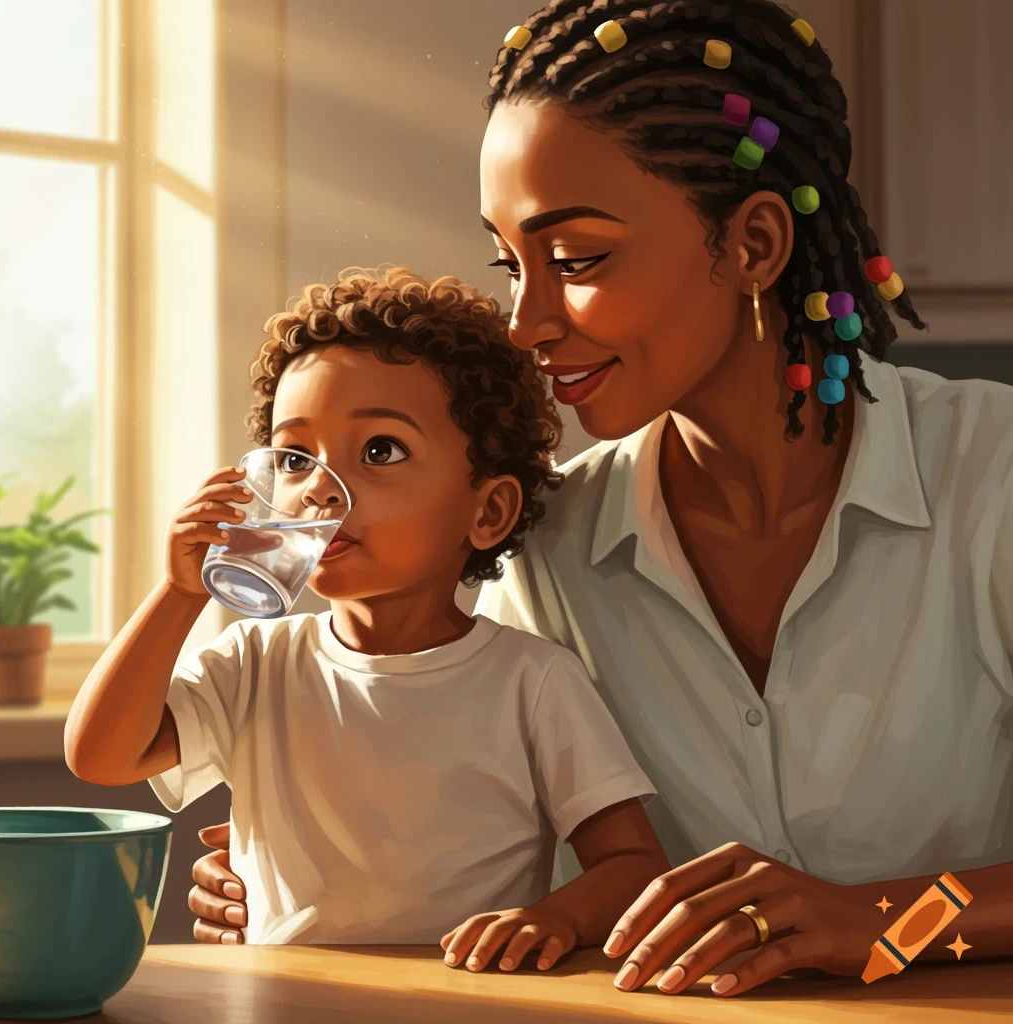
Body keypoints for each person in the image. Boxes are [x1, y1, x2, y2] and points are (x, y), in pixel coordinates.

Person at [188, 0, 1013, 998]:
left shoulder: (991, 476)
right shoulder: (538, 548)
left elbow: (890, 928)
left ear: (751, 244)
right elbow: (460, 823)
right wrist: (292, 864)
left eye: (575, 259)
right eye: (510, 265)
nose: (526, 323)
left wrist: (882, 922)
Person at [64, 266, 670, 967]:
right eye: (295, 458)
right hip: (283, 1001)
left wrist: (554, 917)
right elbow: (101, 757)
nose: (322, 489)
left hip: (465, 1001)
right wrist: (178, 594)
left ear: (488, 511)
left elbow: (632, 864)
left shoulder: (531, 681)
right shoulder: (255, 663)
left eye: (379, 450)